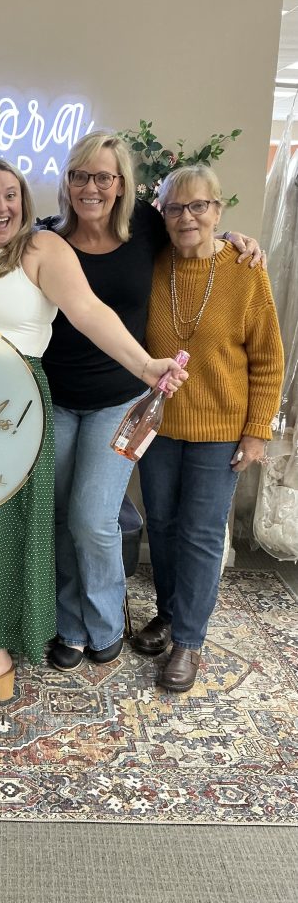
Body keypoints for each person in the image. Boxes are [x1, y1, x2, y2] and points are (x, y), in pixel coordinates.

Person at [0, 156, 188, 709]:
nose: (1, 206)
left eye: (10, 195)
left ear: (25, 201)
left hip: (12, 404)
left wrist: (145, 366)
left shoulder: (42, 250)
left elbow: (88, 311)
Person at [38, 132, 262, 673]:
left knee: (93, 518)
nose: (91, 187)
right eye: (79, 175)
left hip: (122, 400)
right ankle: (70, 622)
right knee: (62, 516)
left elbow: (194, 230)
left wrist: (232, 236)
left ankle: (108, 620)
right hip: (55, 400)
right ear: (66, 182)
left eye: (104, 177)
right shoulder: (44, 237)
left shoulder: (141, 227)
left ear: (122, 185)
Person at [133, 164, 283, 691]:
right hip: (159, 424)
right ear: (162, 214)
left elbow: (267, 357)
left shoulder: (246, 270)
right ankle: (170, 613)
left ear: (219, 211)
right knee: (165, 525)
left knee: (199, 533)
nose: (187, 216)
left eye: (199, 206)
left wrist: (257, 429)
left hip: (221, 426)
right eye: (176, 207)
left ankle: (190, 642)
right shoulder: (150, 263)